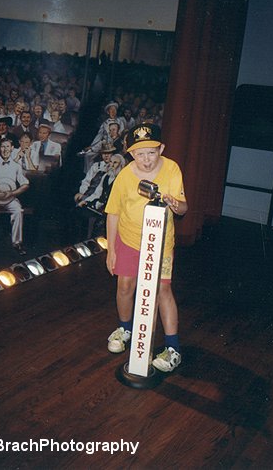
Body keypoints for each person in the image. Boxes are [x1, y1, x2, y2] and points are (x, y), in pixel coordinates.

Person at [105, 123, 188, 373]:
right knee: (125, 286)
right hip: (129, 239)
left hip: (161, 244)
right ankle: (125, 329)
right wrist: (111, 250)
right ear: (131, 154)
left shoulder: (172, 168)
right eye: (140, 153)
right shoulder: (125, 175)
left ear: (161, 148)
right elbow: (113, 213)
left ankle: (173, 348)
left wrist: (176, 204)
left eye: (151, 152)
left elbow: (184, 208)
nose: (146, 159)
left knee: (163, 290)